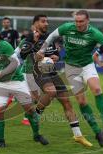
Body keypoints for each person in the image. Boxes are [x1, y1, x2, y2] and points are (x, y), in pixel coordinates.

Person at [36, 10, 103, 147]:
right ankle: (97, 131)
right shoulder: (67, 27)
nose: (78, 24)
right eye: (76, 21)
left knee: (97, 89)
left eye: (81, 21)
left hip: (87, 66)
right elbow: (52, 36)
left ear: (88, 20)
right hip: (71, 68)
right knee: (82, 102)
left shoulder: (94, 33)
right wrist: (42, 50)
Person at [16, 14, 92, 147]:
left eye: (47, 21)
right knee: (51, 92)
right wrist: (32, 42)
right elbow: (22, 54)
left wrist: (55, 56)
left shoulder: (49, 37)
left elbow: (55, 53)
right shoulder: (29, 37)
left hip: (51, 71)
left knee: (67, 102)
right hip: (36, 71)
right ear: (35, 24)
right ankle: (36, 114)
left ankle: (78, 135)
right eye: (43, 21)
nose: (46, 23)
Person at [0, 26, 48, 148]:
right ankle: (1, 141)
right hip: (0, 85)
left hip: (17, 81)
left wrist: (2, 72)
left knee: (30, 110)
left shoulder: (4, 45)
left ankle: (36, 135)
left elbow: (15, 63)